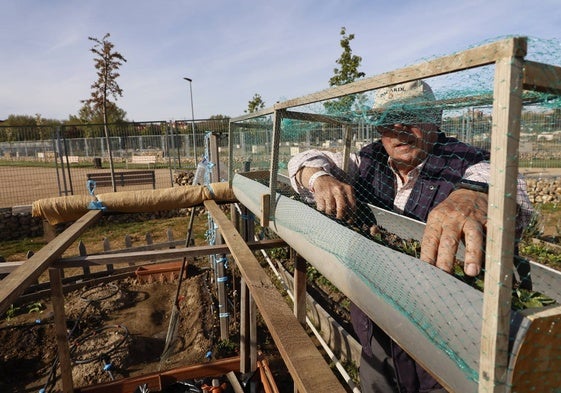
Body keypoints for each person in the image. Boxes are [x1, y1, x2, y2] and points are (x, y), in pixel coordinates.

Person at [288, 80, 534, 393]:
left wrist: (476, 193)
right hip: (375, 322)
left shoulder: (465, 161)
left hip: (446, 337)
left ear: (437, 117)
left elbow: (508, 181)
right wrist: (319, 179)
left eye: (412, 118)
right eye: (388, 122)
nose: (399, 131)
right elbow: (302, 161)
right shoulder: (367, 161)